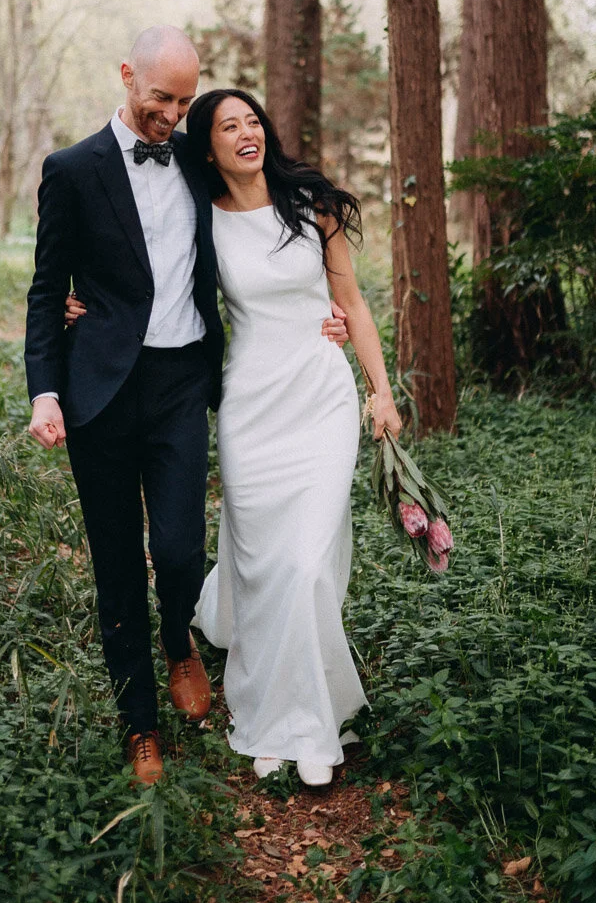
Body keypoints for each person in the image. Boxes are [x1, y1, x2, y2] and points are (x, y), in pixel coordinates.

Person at [24, 31, 346, 786]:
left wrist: (319, 313)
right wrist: (46, 388)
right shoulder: (71, 170)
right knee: (115, 563)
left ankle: (179, 641)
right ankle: (140, 725)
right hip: (98, 390)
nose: (173, 114)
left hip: (181, 385)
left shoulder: (201, 168)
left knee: (177, 549)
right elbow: (46, 291)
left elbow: (266, 230)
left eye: (184, 100)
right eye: (161, 98)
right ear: (126, 75)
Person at [66, 84, 401, 788]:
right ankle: (268, 705)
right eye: (228, 126)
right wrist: (87, 306)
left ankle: (308, 722)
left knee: (307, 564)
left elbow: (352, 302)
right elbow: (142, 264)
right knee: (262, 565)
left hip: (319, 397)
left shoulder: (312, 206)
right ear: (206, 147)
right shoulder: (202, 218)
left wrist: (380, 388)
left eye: (254, 120)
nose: (247, 132)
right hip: (250, 406)